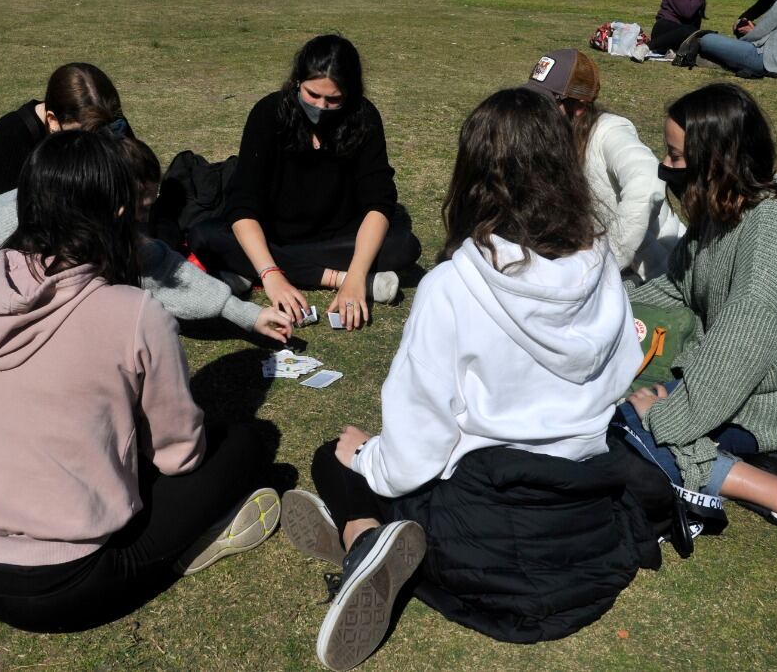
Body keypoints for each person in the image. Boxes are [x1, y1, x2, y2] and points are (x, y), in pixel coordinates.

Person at [282, 87, 657, 671]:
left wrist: (367, 458)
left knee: (335, 456)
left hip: (483, 525)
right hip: (582, 517)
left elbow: (417, 448)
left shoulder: (454, 287)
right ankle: (371, 540)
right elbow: (616, 377)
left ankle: (362, 539)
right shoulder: (601, 262)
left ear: (473, 175)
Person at [0, 129, 282, 633]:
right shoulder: (134, 313)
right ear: (119, 215)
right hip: (60, 585)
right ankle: (187, 548)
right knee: (248, 442)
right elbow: (179, 457)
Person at [0, 134, 293, 411]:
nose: (140, 218)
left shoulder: (59, 206)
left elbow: (155, 265)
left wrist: (245, 315)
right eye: (137, 207)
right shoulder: (33, 239)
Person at [625, 82, 777, 566]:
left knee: (627, 428)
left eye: (675, 156)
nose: (666, 165)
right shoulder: (723, 209)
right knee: (612, 410)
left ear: (715, 161)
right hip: (734, 380)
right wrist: (604, 315)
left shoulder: (775, 226)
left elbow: (743, 345)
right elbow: (679, 287)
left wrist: (664, 415)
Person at [188, 35, 421, 330]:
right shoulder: (268, 114)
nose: (321, 106)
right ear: (297, 81)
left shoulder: (364, 117)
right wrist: (272, 274)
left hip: (337, 238)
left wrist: (357, 273)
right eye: (312, 95)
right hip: (275, 236)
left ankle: (248, 272)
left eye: (333, 99)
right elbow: (243, 202)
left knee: (403, 245)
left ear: (350, 93)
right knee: (204, 236)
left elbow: (379, 200)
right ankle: (332, 277)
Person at [521, 49, 684, 280]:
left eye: (547, 103)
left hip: (657, 272)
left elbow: (647, 182)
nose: (535, 112)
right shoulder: (552, 141)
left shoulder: (609, 131)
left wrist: (611, 257)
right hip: (601, 271)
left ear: (578, 107)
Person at [0, 63, 133, 203]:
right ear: (52, 121)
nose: (95, 146)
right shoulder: (11, 136)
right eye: (82, 136)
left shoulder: (108, 122)